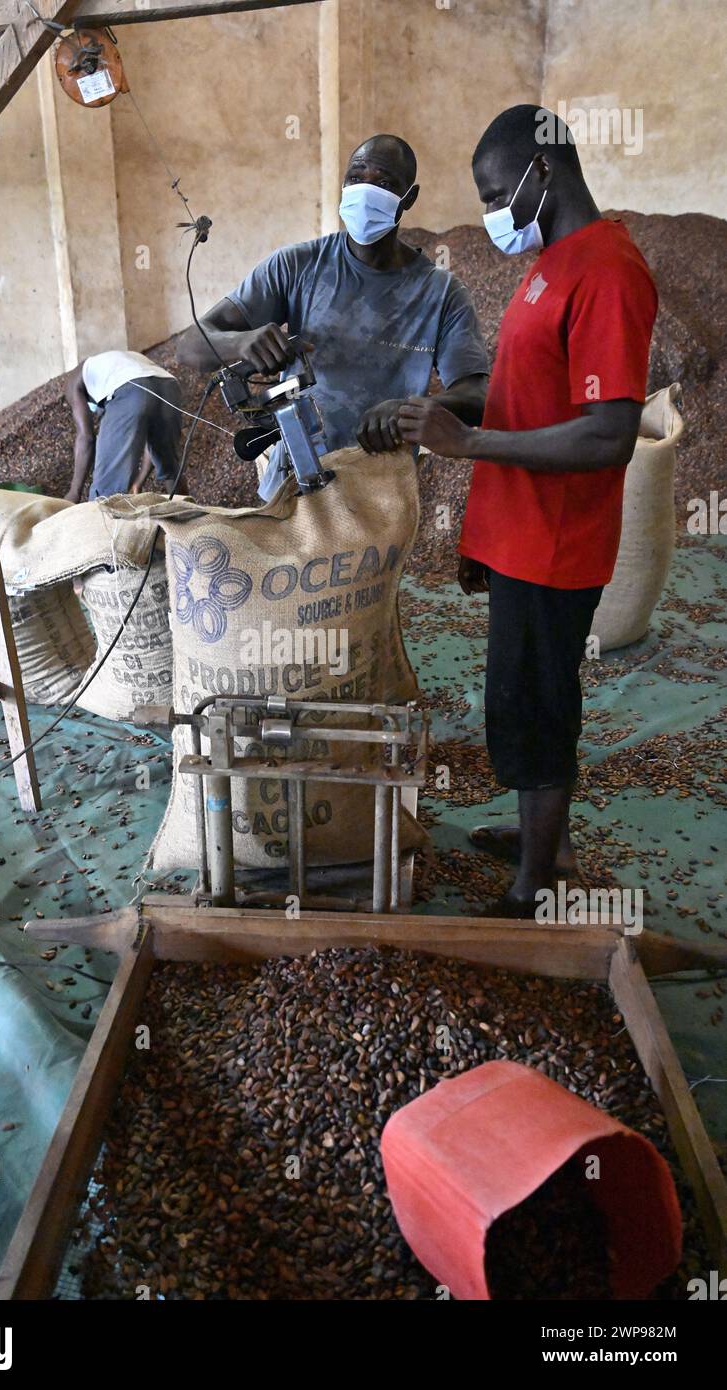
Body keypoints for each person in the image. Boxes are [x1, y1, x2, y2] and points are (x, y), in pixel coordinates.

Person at [398, 105, 658, 918]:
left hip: (555, 544)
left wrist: (467, 448)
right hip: (519, 537)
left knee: (539, 703)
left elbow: (608, 435)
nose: (490, 211)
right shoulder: (554, 261)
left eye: (495, 190)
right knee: (518, 697)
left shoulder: (608, 271)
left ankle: (536, 883)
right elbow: (531, 396)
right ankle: (546, 838)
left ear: (542, 171)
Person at [178, 134, 489, 497]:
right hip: (294, 484)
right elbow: (189, 347)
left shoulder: (440, 293)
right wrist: (240, 341)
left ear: (409, 197)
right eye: (356, 178)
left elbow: (477, 397)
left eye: (385, 183)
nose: (365, 190)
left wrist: (409, 410)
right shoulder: (296, 266)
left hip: (380, 495)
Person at [64, 349, 183, 502]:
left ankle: (104, 524)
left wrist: (74, 492)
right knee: (172, 471)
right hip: (169, 386)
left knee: (107, 492)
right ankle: (190, 521)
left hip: (129, 387)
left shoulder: (72, 382)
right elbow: (153, 446)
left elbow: (85, 438)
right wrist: (139, 481)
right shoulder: (117, 363)